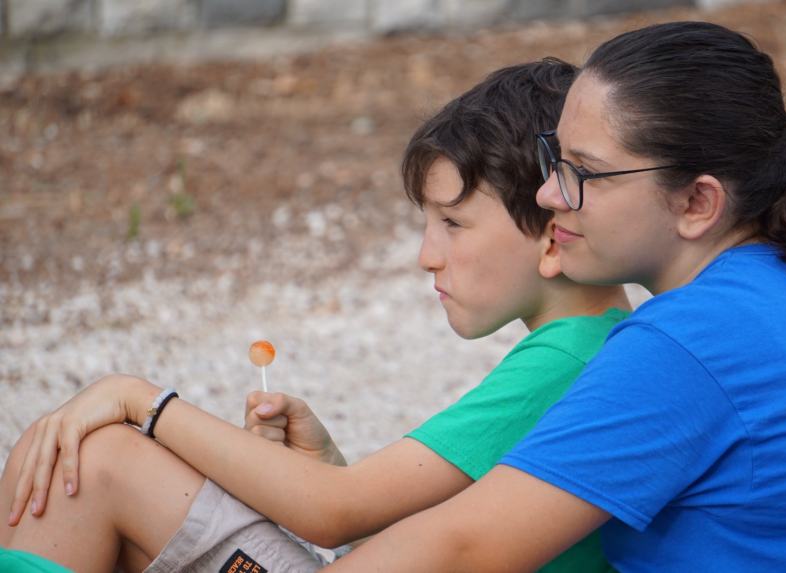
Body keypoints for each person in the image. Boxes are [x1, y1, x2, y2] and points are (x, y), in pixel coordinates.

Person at [0, 58, 632, 572]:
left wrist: (141, 400)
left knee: (90, 461)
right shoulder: (596, 347)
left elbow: (335, 512)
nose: (425, 256)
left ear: (553, 232)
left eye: (453, 223)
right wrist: (325, 464)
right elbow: (422, 523)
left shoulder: (565, 363)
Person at [319, 21, 786, 572]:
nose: (548, 192)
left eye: (586, 172)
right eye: (557, 159)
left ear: (698, 203)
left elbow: (461, 550)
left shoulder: (687, 344)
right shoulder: (785, 283)